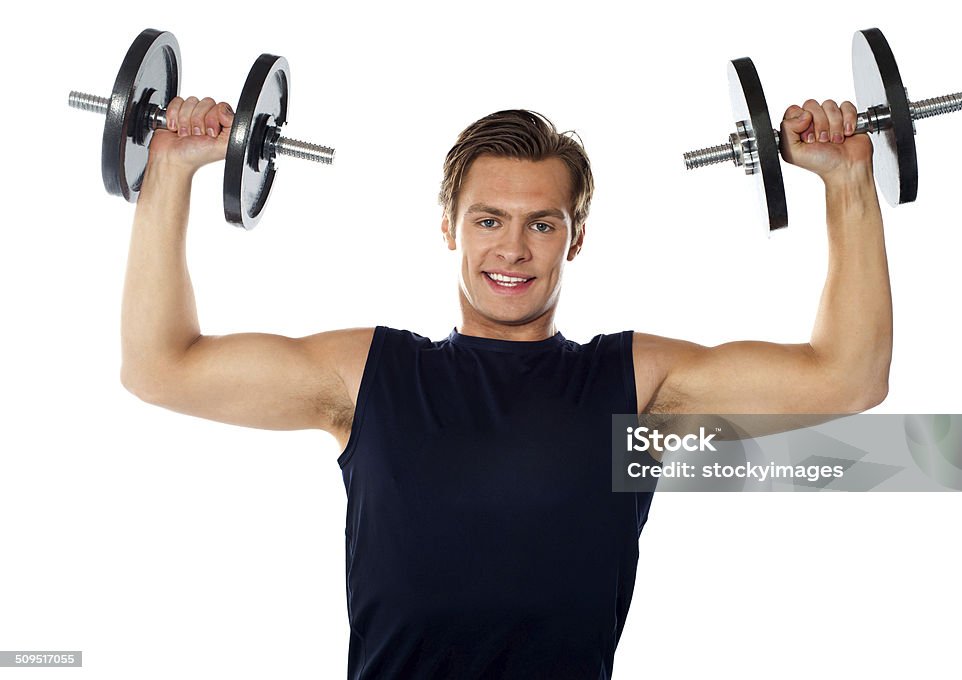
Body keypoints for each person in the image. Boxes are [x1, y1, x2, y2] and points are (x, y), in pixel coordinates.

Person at [120, 96, 891, 679]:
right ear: (450, 227)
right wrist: (171, 170)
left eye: (543, 224)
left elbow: (848, 379)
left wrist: (847, 180)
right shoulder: (366, 377)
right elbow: (160, 368)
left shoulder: (635, 384)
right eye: (488, 220)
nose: (513, 249)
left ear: (575, 237)